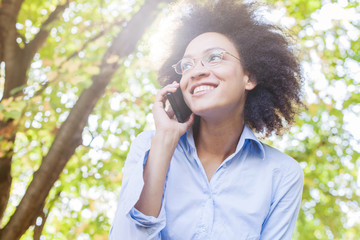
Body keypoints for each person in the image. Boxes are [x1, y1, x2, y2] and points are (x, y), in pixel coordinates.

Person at [110, 0, 304, 239]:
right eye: (187, 65)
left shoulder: (282, 173)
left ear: (249, 78)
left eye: (214, 57)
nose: (196, 71)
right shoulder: (148, 148)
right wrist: (163, 143)